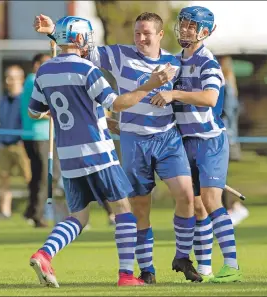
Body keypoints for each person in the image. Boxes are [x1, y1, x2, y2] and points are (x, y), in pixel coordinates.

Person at [34, 12, 202, 284]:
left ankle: (182, 256)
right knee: (138, 208)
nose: (141, 38)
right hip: (134, 139)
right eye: (137, 32)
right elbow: (79, 51)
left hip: (167, 137)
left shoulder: (175, 62)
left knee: (186, 196)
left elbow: (189, 100)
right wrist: (55, 32)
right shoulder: (119, 54)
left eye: (147, 33)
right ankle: (146, 270)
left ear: (160, 35)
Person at [150, 6, 242, 283]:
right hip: (184, 141)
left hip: (209, 141)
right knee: (198, 206)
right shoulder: (175, 61)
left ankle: (232, 266)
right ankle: (204, 268)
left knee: (212, 202)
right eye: (183, 24)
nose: (185, 29)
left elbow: (211, 99)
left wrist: (174, 93)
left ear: (204, 31)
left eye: (191, 26)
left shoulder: (208, 63)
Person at [20, 53, 56, 227]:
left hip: (44, 136)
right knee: (45, 176)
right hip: (38, 136)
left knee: (44, 176)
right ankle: (36, 214)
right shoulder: (34, 80)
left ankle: (31, 210)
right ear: (36, 65)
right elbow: (39, 109)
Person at [0, 65, 31, 219]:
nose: (8, 81)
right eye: (7, 77)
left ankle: (34, 210)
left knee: (30, 178)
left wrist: (23, 141)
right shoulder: (3, 100)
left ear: (21, 79)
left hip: (21, 145)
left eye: (12, 77)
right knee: (3, 179)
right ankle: (5, 211)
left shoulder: (25, 99)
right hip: (4, 144)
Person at [219, 55, 249, 226]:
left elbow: (225, 114)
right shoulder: (230, 86)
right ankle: (230, 209)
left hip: (223, 137)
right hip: (227, 137)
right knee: (218, 176)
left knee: (217, 177)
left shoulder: (225, 88)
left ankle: (233, 208)